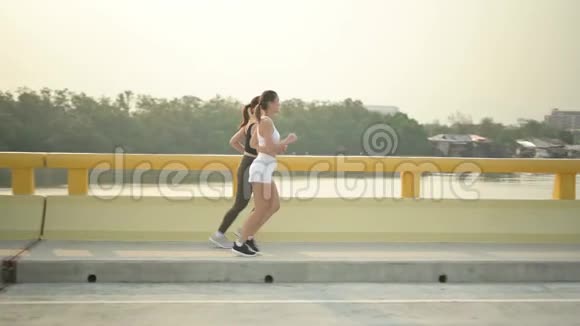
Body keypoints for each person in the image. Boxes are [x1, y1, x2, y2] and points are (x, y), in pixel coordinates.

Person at [232, 90, 297, 257]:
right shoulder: (266, 121)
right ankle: (241, 242)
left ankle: (248, 235)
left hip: (265, 168)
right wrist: (286, 141)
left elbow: (254, 143)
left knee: (273, 205)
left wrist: (276, 147)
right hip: (261, 169)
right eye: (278, 101)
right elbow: (269, 148)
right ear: (270, 103)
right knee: (261, 208)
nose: (279, 104)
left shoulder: (264, 121)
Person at [209, 96, 260, 248]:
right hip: (249, 166)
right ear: (258, 108)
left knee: (263, 202)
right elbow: (236, 142)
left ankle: (245, 229)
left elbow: (233, 142)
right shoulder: (255, 124)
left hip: (251, 164)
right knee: (241, 204)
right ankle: (219, 234)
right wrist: (251, 155)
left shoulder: (252, 124)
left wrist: (247, 154)